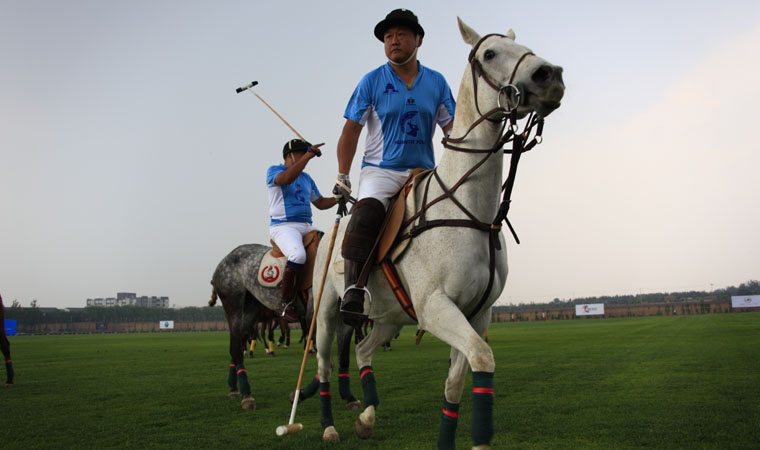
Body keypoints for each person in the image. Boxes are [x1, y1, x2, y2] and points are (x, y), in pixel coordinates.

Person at [333, 9, 456, 327]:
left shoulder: (437, 82)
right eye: (388, 36)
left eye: (401, 34)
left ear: (419, 40)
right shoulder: (372, 81)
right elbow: (350, 131)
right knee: (366, 213)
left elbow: (453, 130)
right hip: (381, 171)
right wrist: (343, 175)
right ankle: (354, 291)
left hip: (424, 172)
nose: (393, 41)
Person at [268, 139, 336, 320]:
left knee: (333, 246)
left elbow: (320, 203)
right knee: (298, 256)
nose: (305, 158)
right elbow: (287, 179)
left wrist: (338, 198)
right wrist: (309, 155)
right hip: (283, 226)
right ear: (290, 155)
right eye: (302, 154)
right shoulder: (274, 171)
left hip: (306, 225)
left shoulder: (307, 178)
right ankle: (285, 303)